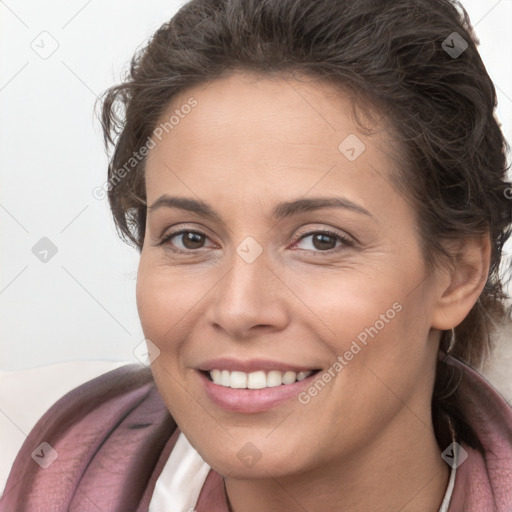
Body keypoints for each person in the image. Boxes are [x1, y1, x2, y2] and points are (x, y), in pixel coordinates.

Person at [1, 0, 511, 510]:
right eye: (190, 238)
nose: (239, 309)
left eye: (321, 240)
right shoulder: (18, 453)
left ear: (457, 275)